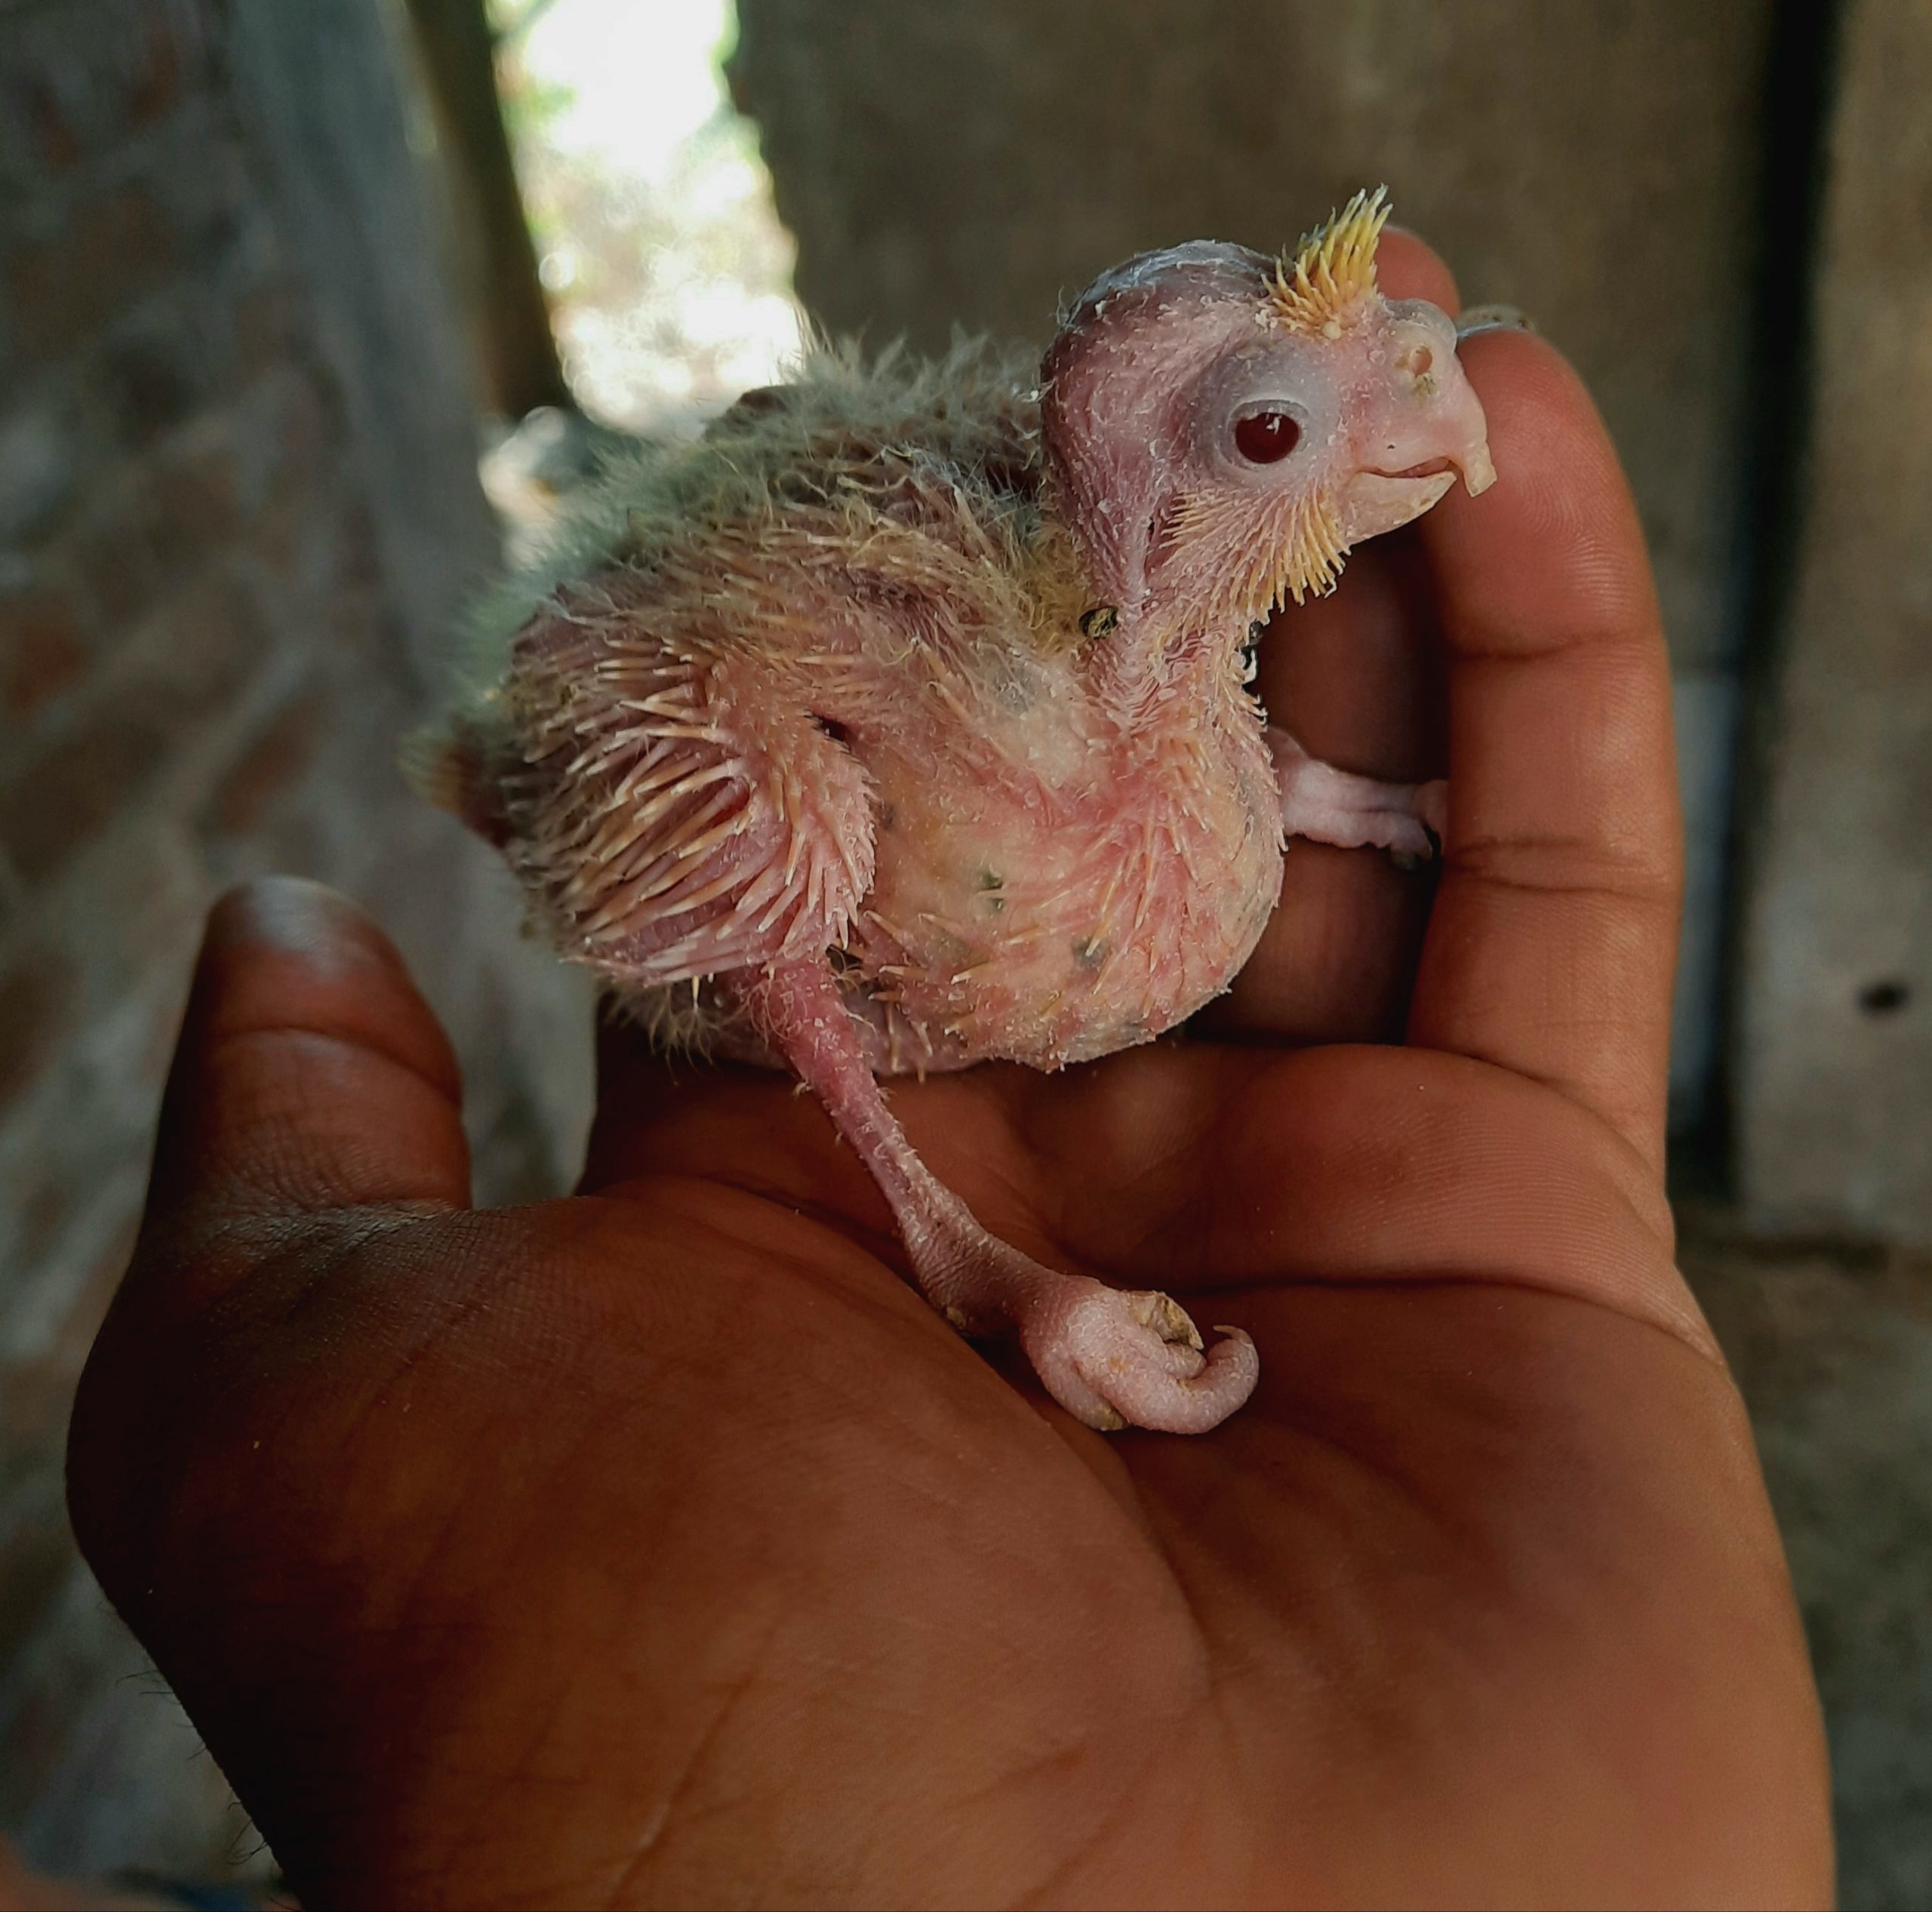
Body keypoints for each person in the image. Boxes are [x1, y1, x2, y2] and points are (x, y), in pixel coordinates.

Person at [65, 232, 1832, 1909]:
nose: (1428, 417)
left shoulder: (1128, 623)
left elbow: (1159, 643)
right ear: (1139, 505)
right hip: (751, 729)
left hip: (1071, 636)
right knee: (772, 863)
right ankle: (934, 1224)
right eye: (1276, 430)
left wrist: (1341, 795)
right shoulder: (879, 794)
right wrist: (989, 1261)